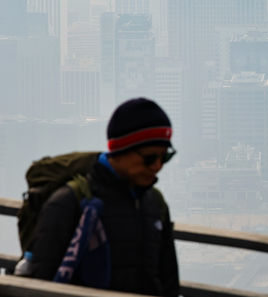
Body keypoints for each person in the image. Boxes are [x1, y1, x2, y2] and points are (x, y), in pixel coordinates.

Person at [28, 98, 180, 296]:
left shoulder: (154, 203)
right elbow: (39, 283)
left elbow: (168, 280)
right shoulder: (70, 201)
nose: (157, 166)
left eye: (165, 157)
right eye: (150, 158)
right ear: (121, 149)